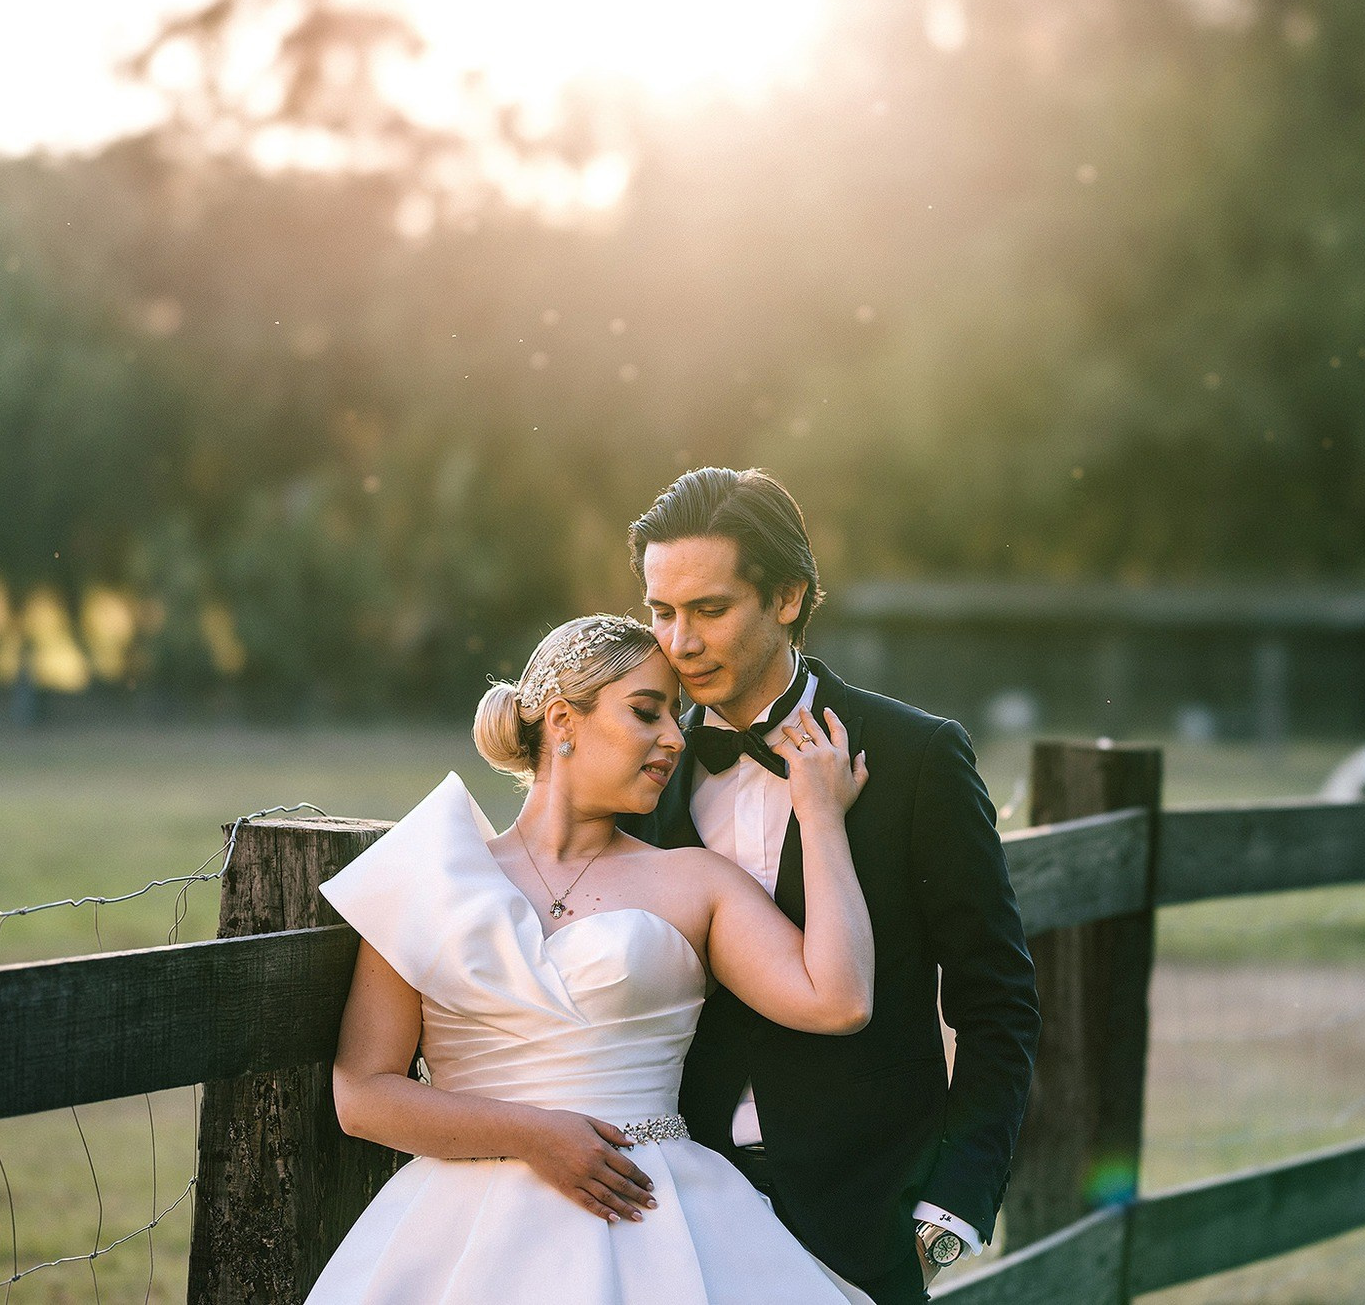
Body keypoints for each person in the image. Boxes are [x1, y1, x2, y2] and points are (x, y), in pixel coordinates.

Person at [306, 613, 878, 1304]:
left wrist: (819, 817)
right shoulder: (431, 876)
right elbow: (362, 1094)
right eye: (647, 712)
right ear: (562, 721)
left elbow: (839, 1000)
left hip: (654, 1222)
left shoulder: (695, 882)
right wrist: (534, 1134)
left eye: (677, 714)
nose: (674, 736)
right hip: (464, 1235)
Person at [619, 468, 1040, 1305]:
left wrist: (956, 1196)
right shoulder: (639, 770)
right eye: (661, 612)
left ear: (786, 596)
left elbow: (998, 1000)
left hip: (867, 1214)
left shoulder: (920, 758)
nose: (679, 643)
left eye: (709, 609)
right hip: (676, 1211)